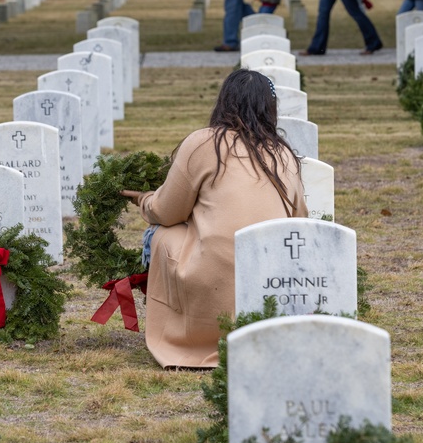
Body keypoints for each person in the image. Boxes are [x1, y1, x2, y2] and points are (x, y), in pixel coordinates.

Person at [121, 70, 307, 368]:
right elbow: (300, 221)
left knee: (160, 233)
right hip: (271, 287)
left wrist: (143, 200)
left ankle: (185, 332)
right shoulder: (283, 154)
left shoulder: (204, 143)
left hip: (210, 291)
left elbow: (168, 212)